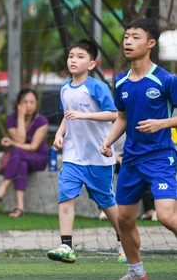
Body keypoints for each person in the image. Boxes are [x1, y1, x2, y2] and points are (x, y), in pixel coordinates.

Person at [100, 18, 177, 280]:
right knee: (124, 219)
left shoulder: (167, 80)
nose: (128, 42)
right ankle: (136, 273)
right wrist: (109, 141)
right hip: (131, 160)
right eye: (126, 37)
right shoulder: (121, 82)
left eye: (135, 37)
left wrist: (162, 123)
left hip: (160, 157)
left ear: (151, 44)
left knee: (167, 216)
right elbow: (122, 117)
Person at [47, 38, 125, 264]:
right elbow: (66, 116)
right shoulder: (64, 88)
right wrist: (59, 134)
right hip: (72, 157)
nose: (74, 60)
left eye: (80, 57)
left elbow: (114, 115)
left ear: (92, 64)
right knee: (66, 197)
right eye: (71, 56)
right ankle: (66, 245)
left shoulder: (96, 87)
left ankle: (124, 241)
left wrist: (85, 115)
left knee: (107, 204)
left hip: (98, 158)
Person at [0, 87, 49, 217]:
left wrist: (13, 143)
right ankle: (20, 207)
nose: (29, 105)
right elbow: (21, 139)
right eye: (25, 102)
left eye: (32, 102)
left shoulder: (42, 121)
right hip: (21, 159)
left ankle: (1, 190)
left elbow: (32, 146)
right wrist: (20, 116)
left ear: (36, 103)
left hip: (38, 158)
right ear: (19, 103)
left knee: (17, 150)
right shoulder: (11, 119)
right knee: (21, 164)